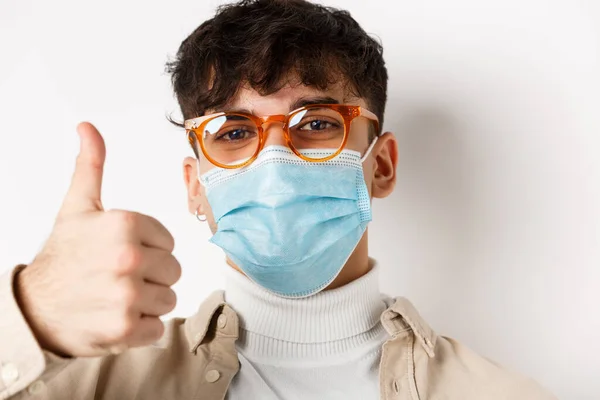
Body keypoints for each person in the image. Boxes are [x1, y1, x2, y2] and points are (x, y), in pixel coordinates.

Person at [0, 0, 556, 399]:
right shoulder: (82, 384)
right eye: (234, 132)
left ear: (380, 165)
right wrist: (32, 314)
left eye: (315, 123)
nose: (275, 161)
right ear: (197, 186)